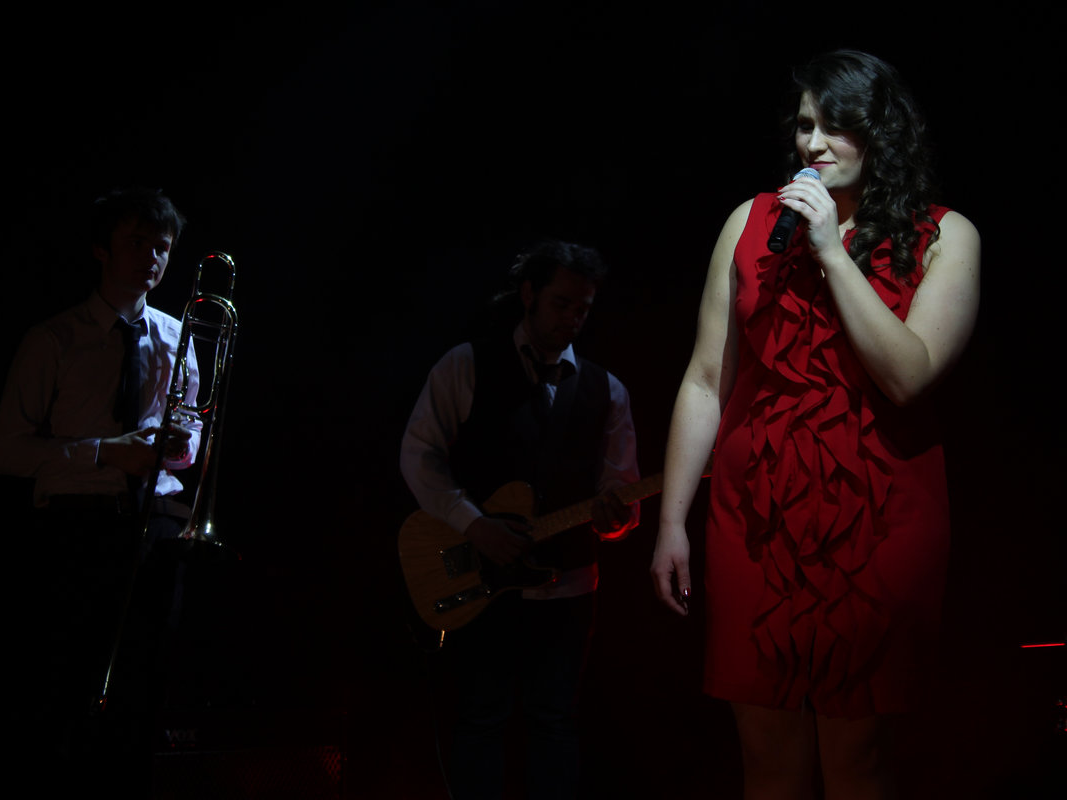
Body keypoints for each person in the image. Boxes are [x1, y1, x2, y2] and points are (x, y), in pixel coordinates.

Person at [650, 50, 980, 799]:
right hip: (755, 513)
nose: (814, 142)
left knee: (857, 755)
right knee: (765, 752)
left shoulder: (946, 236)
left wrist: (832, 249)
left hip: (880, 515)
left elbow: (908, 375)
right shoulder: (751, 222)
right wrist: (672, 522)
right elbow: (705, 379)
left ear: (881, 132)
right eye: (805, 125)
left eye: (836, 125)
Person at [400, 240, 641, 800]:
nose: (572, 319)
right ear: (529, 294)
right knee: (481, 718)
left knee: (555, 721)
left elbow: (620, 495)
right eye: (561, 304)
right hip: (481, 583)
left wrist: (615, 518)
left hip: (571, 588)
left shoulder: (608, 391)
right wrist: (472, 523)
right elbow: (418, 455)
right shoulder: (466, 364)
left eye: (582, 309)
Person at [0, 187, 201, 793]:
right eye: (137, 243)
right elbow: (7, 452)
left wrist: (183, 445)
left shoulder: (178, 337)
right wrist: (107, 451)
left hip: (154, 527)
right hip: (75, 526)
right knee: (65, 689)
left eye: (161, 247)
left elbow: (192, 440)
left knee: (145, 691)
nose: (151, 258)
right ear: (101, 249)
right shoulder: (53, 340)